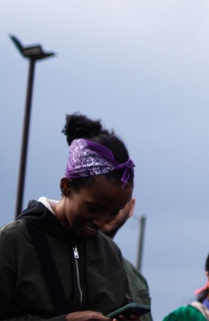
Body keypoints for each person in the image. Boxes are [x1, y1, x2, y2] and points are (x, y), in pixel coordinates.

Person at [0, 113, 136, 321]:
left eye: (112, 213)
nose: (100, 222)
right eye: (94, 208)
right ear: (67, 186)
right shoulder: (13, 242)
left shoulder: (110, 254)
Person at [103, 198, 154, 321]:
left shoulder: (136, 278)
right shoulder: (68, 261)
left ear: (131, 207)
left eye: (117, 201)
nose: (109, 208)